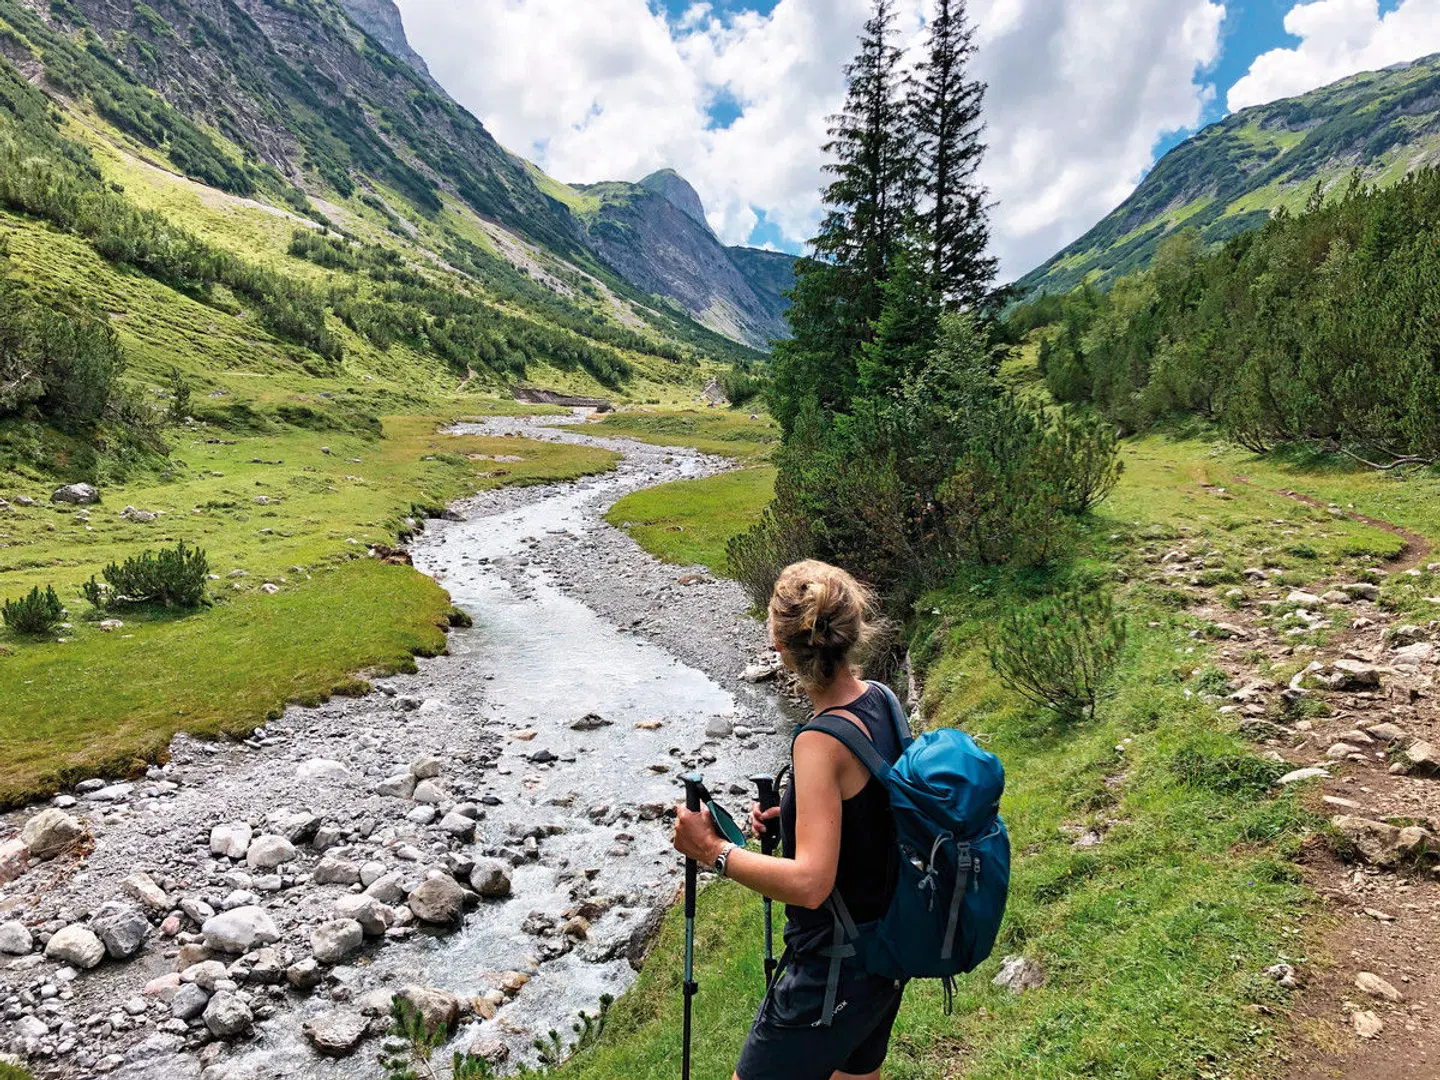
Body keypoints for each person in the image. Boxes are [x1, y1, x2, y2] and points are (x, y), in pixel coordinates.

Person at [674, 559, 906, 1080]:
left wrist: (712, 851)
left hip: (830, 970)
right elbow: (874, 810)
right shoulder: (882, 700)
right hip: (884, 952)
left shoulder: (819, 741)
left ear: (780, 646)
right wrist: (799, 816)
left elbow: (810, 885)